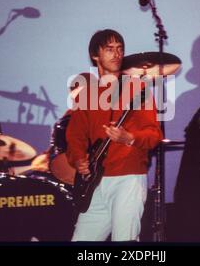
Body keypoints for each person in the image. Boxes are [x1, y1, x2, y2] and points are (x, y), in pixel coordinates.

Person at [66, 29, 163, 241]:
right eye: (109, 49)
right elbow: (75, 136)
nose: (117, 54)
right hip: (95, 182)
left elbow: (154, 134)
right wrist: (79, 159)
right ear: (95, 55)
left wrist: (128, 138)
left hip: (128, 177)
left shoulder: (137, 87)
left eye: (120, 49)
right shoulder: (88, 94)